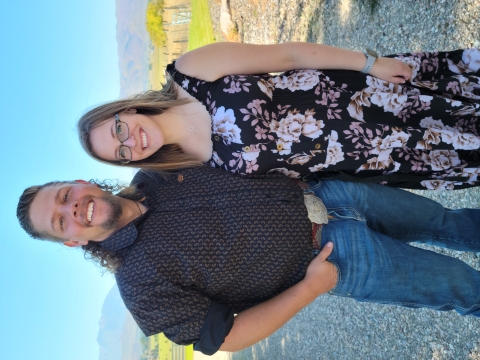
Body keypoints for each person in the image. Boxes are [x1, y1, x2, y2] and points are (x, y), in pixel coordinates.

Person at [17, 166, 480, 355]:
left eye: (64, 197)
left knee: (445, 220)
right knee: (462, 288)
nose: (71, 210)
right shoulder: (140, 289)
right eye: (60, 222)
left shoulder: (156, 172)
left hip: (328, 192)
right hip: (334, 259)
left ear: (78, 183)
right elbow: (227, 337)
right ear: (72, 242)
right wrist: (310, 289)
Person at [78, 42, 480, 190]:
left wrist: (370, 63)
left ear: (125, 109)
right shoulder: (194, 169)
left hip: (372, 99)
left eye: (118, 129)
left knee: (465, 110)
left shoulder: (191, 72)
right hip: (369, 157)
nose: (131, 141)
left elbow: (289, 55)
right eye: (122, 153)